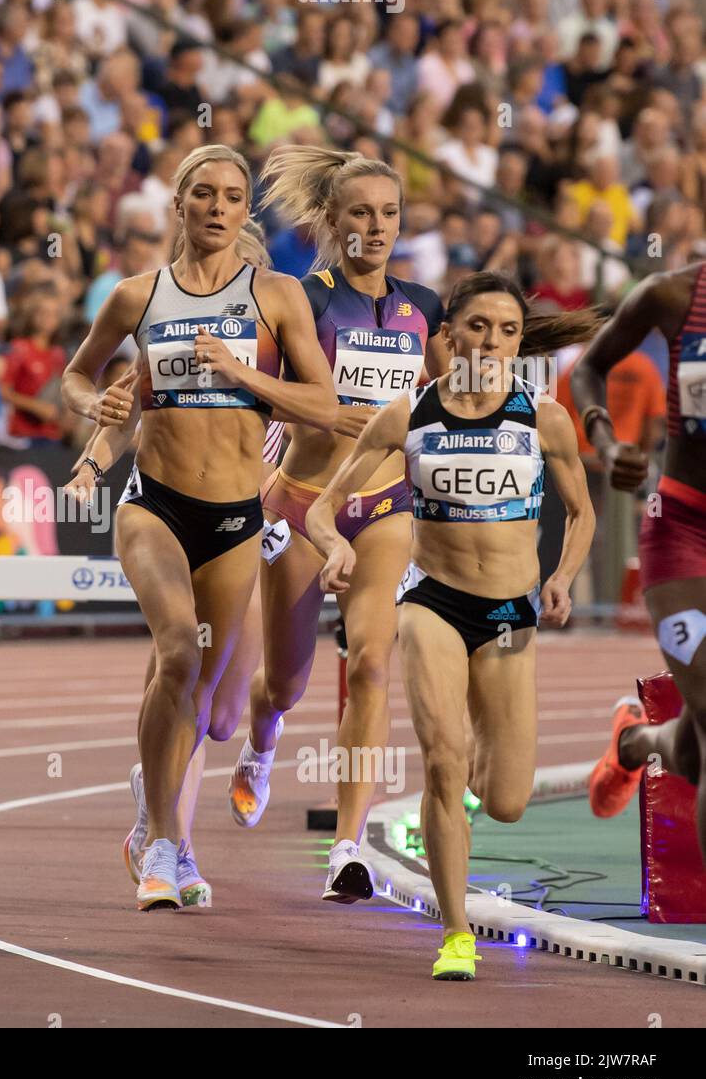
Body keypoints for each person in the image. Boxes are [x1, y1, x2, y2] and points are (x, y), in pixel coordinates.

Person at [62, 143, 338, 911]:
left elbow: (323, 403)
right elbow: (82, 376)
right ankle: (161, 842)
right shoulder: (136, 296)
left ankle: (159, 816)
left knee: (212, 706)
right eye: (204, 194)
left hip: (236, 518)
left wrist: (244, 374)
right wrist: (96, 414)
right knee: (178, 653)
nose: (218, 207)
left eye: (233, 196)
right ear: (178, 205)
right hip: (154, 505)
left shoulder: (276, 297)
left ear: (248, 211)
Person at [306, 271, 597, 978]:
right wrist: (336, 543)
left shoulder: (544, 417)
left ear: (518, 342)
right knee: (441, 763)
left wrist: (559, 578)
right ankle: (457, 934)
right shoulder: (409, 413)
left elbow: (584, 513)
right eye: (477, 327)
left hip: (508, 615)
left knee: (506, 800)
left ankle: (471, 745)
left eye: (506, 330)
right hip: (431, 600)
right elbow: (324, 505)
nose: (491, 342)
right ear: (450, 336)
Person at [232, 145, 449, 904]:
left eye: (389, 213)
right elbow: (266, 397)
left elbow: (454, 392)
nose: (377, 226)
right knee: (285, 683)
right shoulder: (305, 299)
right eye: (361, 212)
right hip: (300, 501)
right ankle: (262, 746)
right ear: (331, 220)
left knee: (371, 665)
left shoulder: (424, 307)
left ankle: (347, 848)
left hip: (385, 508)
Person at [574, 262, 706, 862]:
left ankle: (635, 743)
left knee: (701, 745)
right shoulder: (674, 294)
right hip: (682, 531)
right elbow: (590, 369)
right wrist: (606, 440)